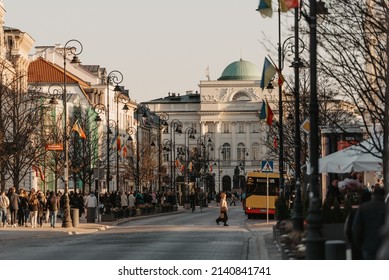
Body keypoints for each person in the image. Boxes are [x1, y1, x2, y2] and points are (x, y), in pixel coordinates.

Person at [352, 186, 386, 260]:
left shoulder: (364, 207)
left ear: (372, 195)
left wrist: (360, 244)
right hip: (383, 246)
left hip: (367, 246)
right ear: (383, 196)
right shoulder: (385, 208)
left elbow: (356, 228)